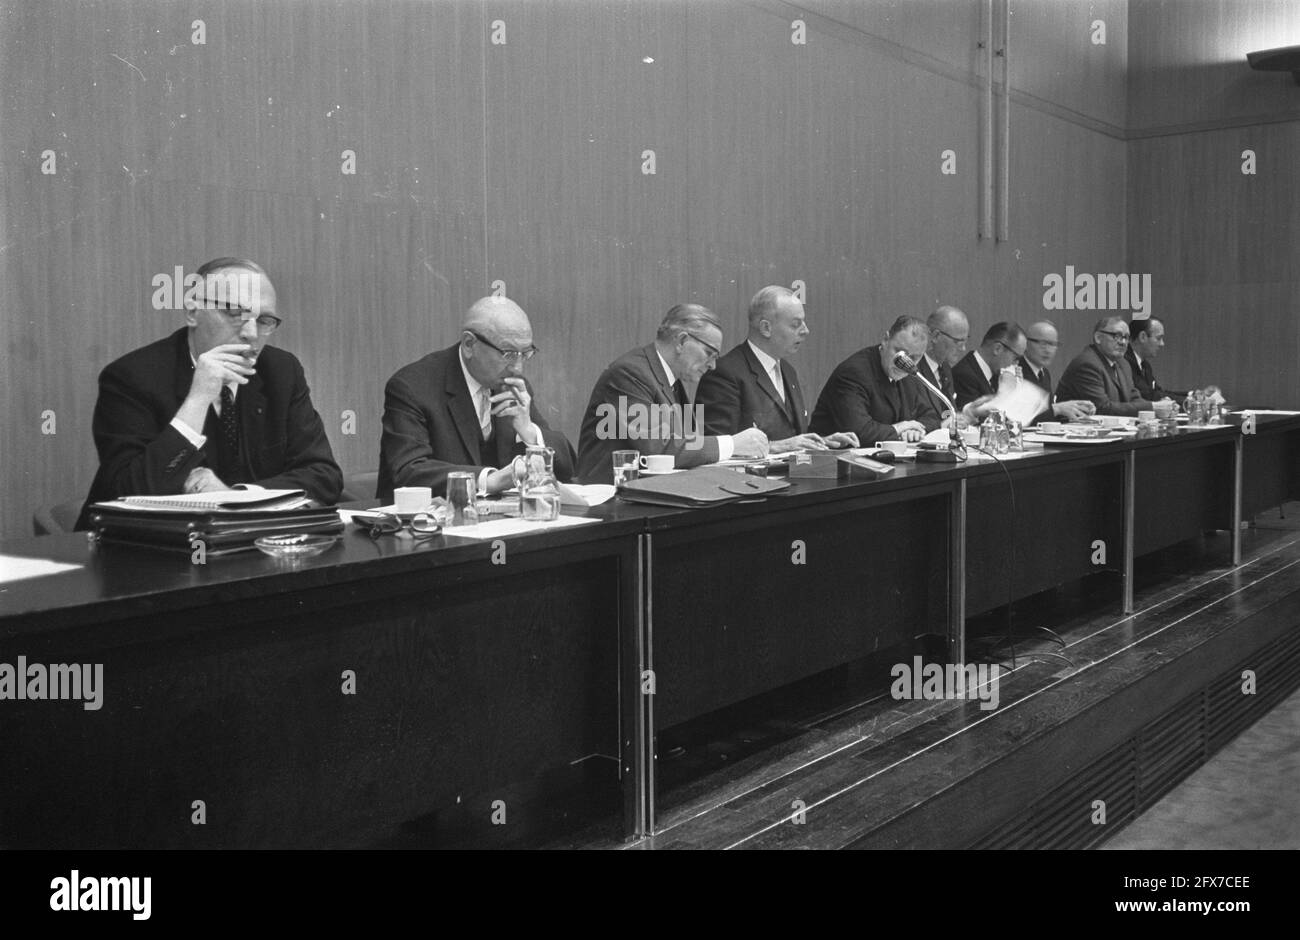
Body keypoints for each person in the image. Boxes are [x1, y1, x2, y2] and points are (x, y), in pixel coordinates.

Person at [76, 258, 342, 529]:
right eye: (234, 313)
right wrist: (198, 398)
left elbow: (323, 475)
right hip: (140, 552)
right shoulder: (133, 377)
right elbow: (128, 490)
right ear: (193, 312)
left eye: (264, 320)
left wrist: (235, 497)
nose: (251, 333)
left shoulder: (281, 370)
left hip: (242, 546)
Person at [377, 296, 575, 502]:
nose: (518, 367)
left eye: (525, 354)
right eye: (508, 353)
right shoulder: (413, 387)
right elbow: (408, 471)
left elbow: (567, 469)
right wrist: (489, 480)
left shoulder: (512, 385)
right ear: (469, 344)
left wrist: (529, 432)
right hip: (421, 528)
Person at [577, 303, 769, 483]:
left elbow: (687, 446)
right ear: (682, 341)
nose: (713, 365)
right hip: (610, 502)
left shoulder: (672, 381)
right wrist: (732, 444)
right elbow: (659, 448)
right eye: (709, 353)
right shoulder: (629, 374)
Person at [696, 286, 857, 452]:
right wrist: (776, 447)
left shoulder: (788, 371)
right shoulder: (725, 373)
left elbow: (791, 436)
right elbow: (718, 445)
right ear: (766, 328)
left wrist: (820, 443)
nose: (805, 331)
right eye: (796, 324)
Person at [809, 315, 942, 445]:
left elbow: (931, 416)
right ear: (885, 340)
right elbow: (858, 432)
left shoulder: (910, 371)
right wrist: (899, 429)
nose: (905, 363)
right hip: (832, 458)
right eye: (900, 352)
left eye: (914, 357)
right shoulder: (854, 373)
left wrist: (916, 430)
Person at [1055, 316, 1153, 417]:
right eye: (1117, 336)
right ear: (1098, 338)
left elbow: (1134, 398)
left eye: (1126, 337)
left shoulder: (1123, 364)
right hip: (1075, 429)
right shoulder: (1087, 364)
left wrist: (1158, 407)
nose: (1123, 342)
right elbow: (1103, 408)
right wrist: (1153, 407)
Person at [1021, 320, 1096, 423]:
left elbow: (1045, 416)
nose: (1048, 350)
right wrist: (1058, 409)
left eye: (1052, 344)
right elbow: (1020, 417)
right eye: (1043, 343)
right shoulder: (1015, 371)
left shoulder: (1044, 373)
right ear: (1026, 343)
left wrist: (1075, 410)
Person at [951, 322, 1027, 409]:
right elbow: (977, 420)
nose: (1016, 364)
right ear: (997, 349)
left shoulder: (996, 376)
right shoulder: (964, 375)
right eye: (1016, 358)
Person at [918, 304, 967, 417]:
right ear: (935, 336)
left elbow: (947, 412)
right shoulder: (913, 371)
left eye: (965, 341)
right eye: (957, 341)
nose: (963, 348)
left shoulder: (945, 368)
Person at [1126, 317, 1186, 404]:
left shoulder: (1145, 365)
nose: (1162, 344)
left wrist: (1191, 395)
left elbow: (1158, 392)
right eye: (1158, 338)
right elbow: (1149, 396)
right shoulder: (1124, 363)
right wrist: (1189, 403)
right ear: (1142, 337)